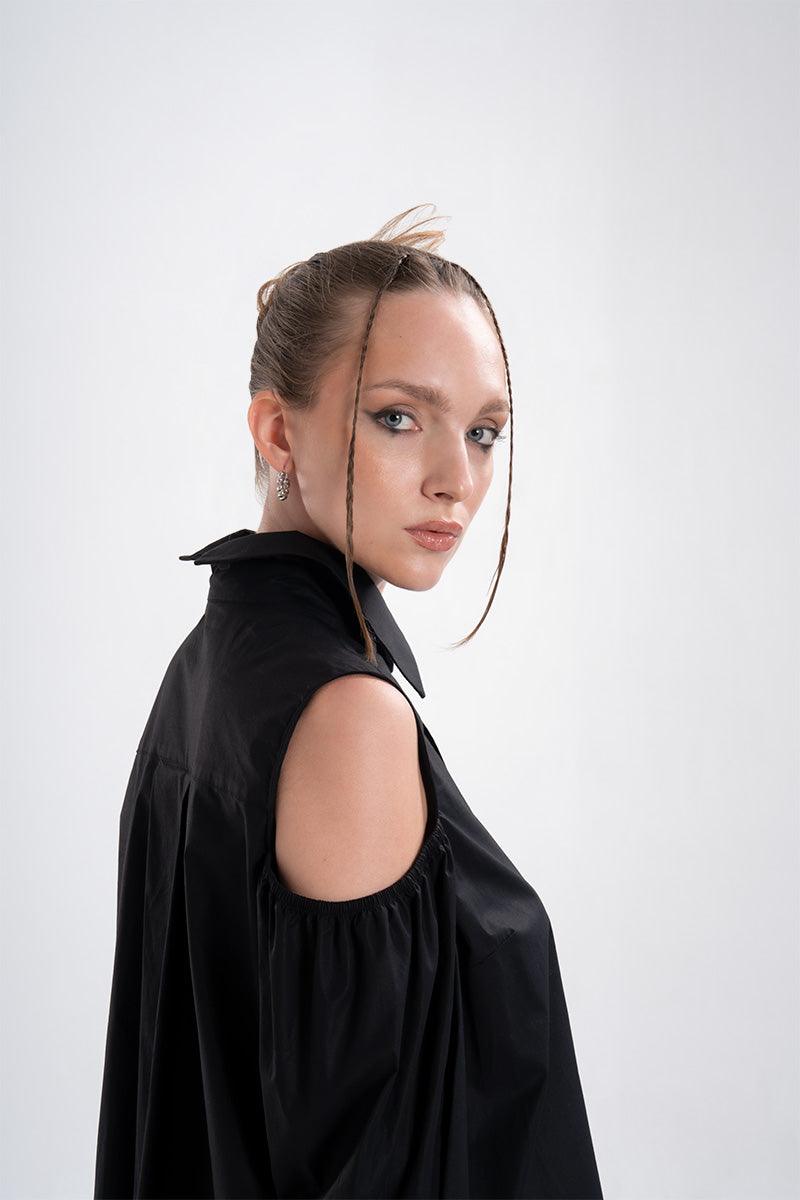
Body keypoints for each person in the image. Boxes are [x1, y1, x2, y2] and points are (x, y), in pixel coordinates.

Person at [93, 204, 603, 1199]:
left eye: (484, 431)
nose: (457, 479)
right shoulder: (347, 715)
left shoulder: (210, 662)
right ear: (279, 431)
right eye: (398, 417)